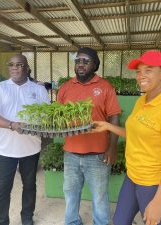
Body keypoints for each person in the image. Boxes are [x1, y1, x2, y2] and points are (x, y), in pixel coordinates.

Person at [92, 51, 161, 225]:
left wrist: (158, 202)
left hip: (153, 184)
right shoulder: (141, 101)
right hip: (132, 177)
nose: (141, 76)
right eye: (138, 71)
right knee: (120, 221)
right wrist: (108, 126)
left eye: (148, 70)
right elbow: (135, 135)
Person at [57, 47, 121, 225]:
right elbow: (58, 115)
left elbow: (114, 116)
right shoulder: (65, 88)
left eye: (86, 61)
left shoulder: (105, 87)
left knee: (100, 197)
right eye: (78, 61)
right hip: (70, 153)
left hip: (98, 155)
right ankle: (72, 222)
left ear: (95, 65)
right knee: (70, 193)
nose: (80, 64)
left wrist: (112, 147)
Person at [0, 54, 50, 225]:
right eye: (11, 65)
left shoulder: (39, 90)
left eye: (19, 64)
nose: (15, 68)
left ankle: (27, 217)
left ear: (27, 68)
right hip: (5, 150)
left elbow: (47, 115)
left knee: (29, 185)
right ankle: (1, 221)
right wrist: (12, 125)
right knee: (2, 189)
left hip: (31, 148)